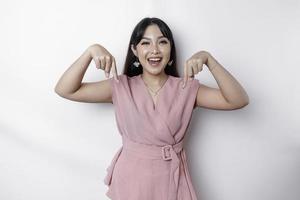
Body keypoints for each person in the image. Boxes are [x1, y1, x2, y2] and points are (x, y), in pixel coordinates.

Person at [54, 17, 249, 200]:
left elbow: (238, 100)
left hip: (170, 181)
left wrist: (209, 60)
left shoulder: (187, 88)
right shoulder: (120, 87)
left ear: (171, 49)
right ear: (135, 50)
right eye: (146, 43)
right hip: (130, 182)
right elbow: (65, 89)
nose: (154, 50)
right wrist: (91, 51)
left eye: (162, 42)